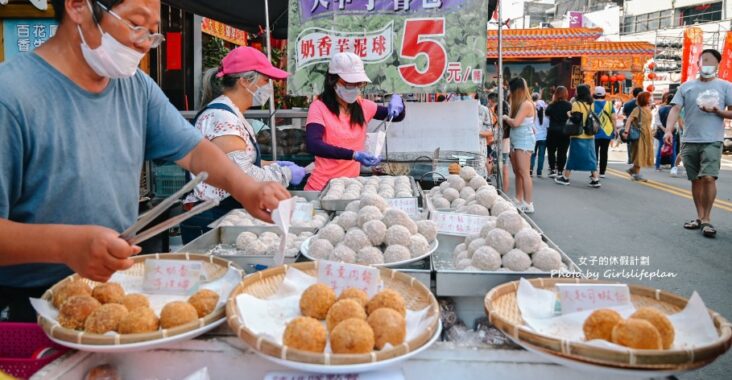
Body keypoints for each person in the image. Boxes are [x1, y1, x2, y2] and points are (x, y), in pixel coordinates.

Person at [0, 0, 290, 322]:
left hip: (114, 286)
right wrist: (65, 245)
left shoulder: (135, 86)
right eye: (136, 25)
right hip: (27, 302)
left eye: (152, 34)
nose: (143, 43)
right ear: (78, 6)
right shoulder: (11, 96)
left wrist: (246, 188)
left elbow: (193, 150)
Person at [179, 47, 307, 244]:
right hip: (210, 216)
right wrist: (284, 175)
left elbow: (239, 161)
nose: (268, 87)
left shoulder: (233, 113)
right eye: (265, 80)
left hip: (223, 211)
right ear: (245, 81)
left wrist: (271, 164)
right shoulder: (222, 118)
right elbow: (242, 174)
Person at [304, 52, 405, 191]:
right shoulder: (319, 107)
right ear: (333, 81)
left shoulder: (363, 106)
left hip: (350, 188)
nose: (355, 88)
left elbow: (397, 116)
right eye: (349, 84)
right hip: (321, 187)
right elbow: (313, 145)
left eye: (359, 84)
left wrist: (399, 102)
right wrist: (353, 155)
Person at [665, 48, 732, 238]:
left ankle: (707, 219)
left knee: (708, 178)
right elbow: (675, 109)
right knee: (695, 180)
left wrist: (717, 111)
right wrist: (669, 130)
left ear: (717, 65)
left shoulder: (726, 86)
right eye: (704, 61)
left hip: (712, 139)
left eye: (711, 62)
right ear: (698, 64)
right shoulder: (686, 86)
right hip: (689, 139)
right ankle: (700, 216)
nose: (707, 65)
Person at [554, 84, 601, 188]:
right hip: (589, 134)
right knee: (591, 157)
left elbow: (576, 119)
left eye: (576, 90)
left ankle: (565, 178)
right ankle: (595, 179)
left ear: (579, 92)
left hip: (578, 134)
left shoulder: (576, 104)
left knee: (572, 157)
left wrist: (569, 114)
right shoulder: (591, 103)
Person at [502, 78, 536, 213]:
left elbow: (515, 123)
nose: (510, 93)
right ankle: (518, 198)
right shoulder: (519, 103)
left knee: (524, 172)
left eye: (512, 90)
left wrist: (505, 118)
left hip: (524, 141)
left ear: (518, 90)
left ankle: (528, 203)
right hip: (517, 140)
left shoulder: (526, 104)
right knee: (517, 172)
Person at [622, 92, 654, 181]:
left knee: (643, 153)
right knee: (639, 153)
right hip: (639, 134)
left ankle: (633, 170)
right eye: (649, 98)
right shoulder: (637, 109)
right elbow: (629, 120)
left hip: (647, 134)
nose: (651, 99)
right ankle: (636, 173)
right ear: (645, 99)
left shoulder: (648, 108)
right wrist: (626, 132)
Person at [545, 86, 572, 178]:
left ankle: (552, 170)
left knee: (551, 151)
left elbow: (547, 113)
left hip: (553, 130)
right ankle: (560, 171)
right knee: (562, 152)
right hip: (565, 131)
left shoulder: (552, 105)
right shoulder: (569, 105)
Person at [654, 92, 682, 173]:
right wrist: (670, 130)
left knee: (660, 148)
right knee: (673, 149)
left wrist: (665, 129)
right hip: (673, 132)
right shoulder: (675, 110)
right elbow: (676, 122)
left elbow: (657, 122)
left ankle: (657, 166)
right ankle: (673, 166)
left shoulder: (661, 109)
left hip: (661, 131)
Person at [592, 86, 616, 177]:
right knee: (604, 152)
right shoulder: (609, 104)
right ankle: (602, 172)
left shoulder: (591, 104)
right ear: (604, 95)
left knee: (594, 152)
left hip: (595, 131)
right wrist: (615, 129)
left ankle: (594, 172)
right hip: (607, 132)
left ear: (594, 94)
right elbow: (613, 118)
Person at [623, 87, 644, 163]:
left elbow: (624, 113)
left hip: (629, 125)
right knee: (640, 143)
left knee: (630, 142)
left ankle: (630, 159)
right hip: (640, 125)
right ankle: (638, 159)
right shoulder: (642, 104)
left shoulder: (627, 104)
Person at [530, 93, 548, 177]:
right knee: (541, 155)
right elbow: (548, 126)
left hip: (534, 137)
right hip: (543, 137)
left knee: (533, 154)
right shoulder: (546, 116)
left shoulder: (533, 114)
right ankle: (539, 172)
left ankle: (530, 170)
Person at [477, 93, 494, 177]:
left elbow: (491, 131)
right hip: (462, 147)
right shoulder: (460, 108)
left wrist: (476, 132)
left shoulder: (484, 110)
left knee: (479, 174)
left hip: (480, 147)